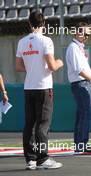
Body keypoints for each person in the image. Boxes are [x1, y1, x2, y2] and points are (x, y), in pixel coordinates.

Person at [16, 10, 63, 170]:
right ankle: (43, 158)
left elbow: (18, 66)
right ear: (43, 24)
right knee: (43, 124)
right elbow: (52, 66)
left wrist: (32, 67)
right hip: (43, 87)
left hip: (29, 87)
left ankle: (30, 159)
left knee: (29, 124)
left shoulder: (22, 42)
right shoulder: (46, 41)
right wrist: (60, 62)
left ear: (29, 24)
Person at [66, 22, 91, 153]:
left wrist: (90, 80)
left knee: (82, 113)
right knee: (84, 113)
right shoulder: (73, 48)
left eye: (88, 34)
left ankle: (80, 143)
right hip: (79, 84)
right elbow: (78, 69)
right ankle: (81, 143)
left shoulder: (78, 47)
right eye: (84, 33)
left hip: (82, 83)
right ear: (76, 32)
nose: (86, 36)